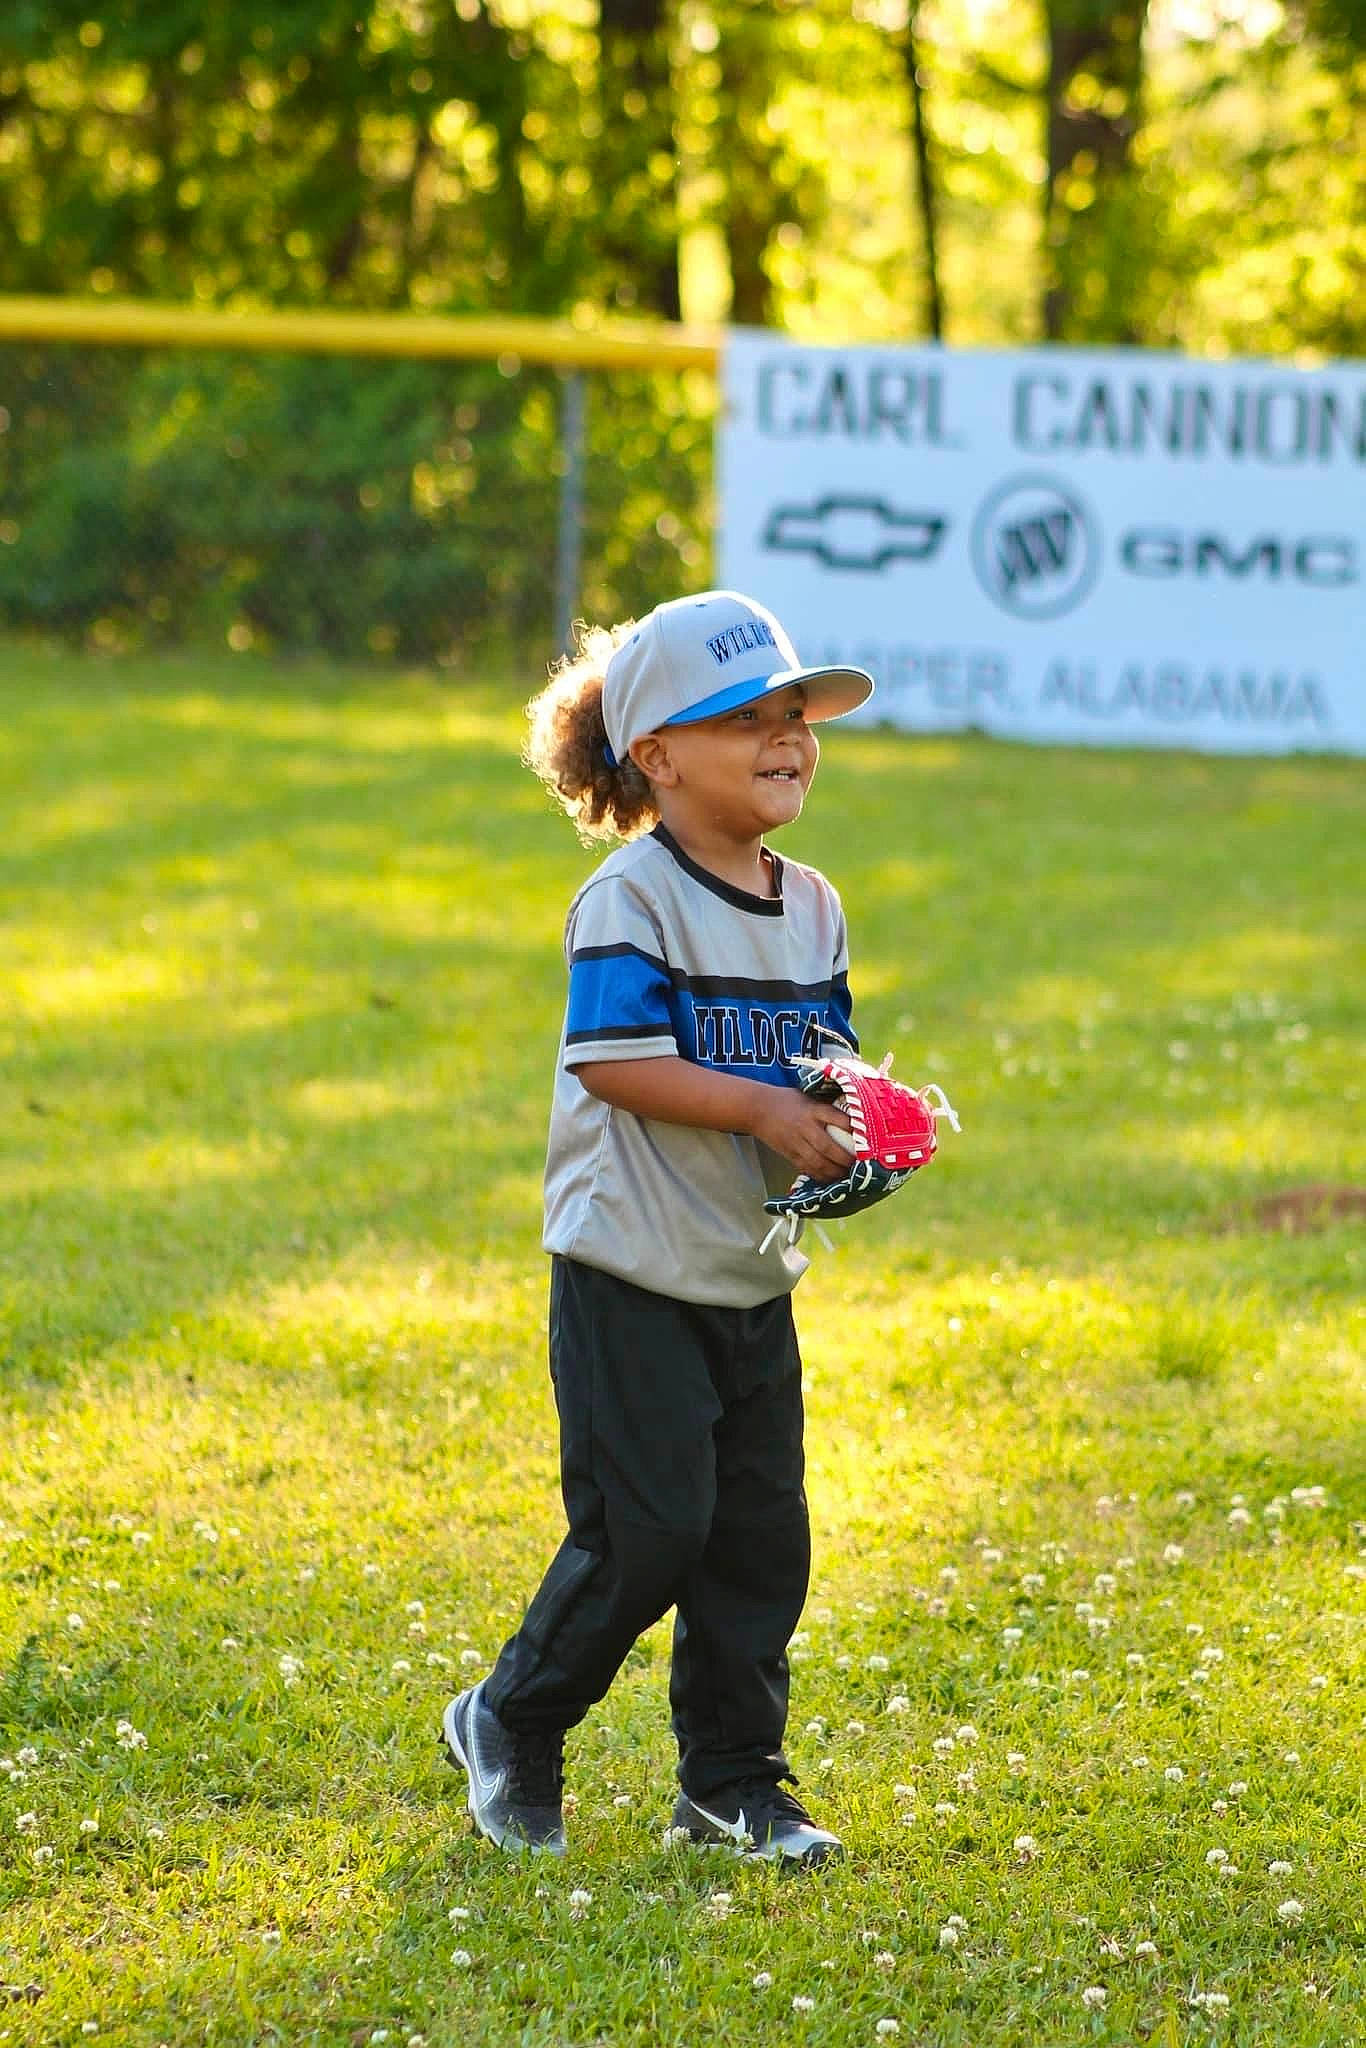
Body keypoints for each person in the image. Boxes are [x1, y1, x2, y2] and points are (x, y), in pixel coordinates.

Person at [441, 589, 874, 1865]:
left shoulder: (815, 905)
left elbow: (818, 1064)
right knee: (649, 1529)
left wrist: (853, 1122)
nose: (787, 736)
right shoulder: (629, 899)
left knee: (758, 1535)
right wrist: (759, 1105)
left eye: (795, 713)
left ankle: (731, 1781)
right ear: (659, 754)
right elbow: (615, 1061)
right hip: (629, 1264)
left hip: (749, 1269)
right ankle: (509, 1718)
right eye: (746, 717)